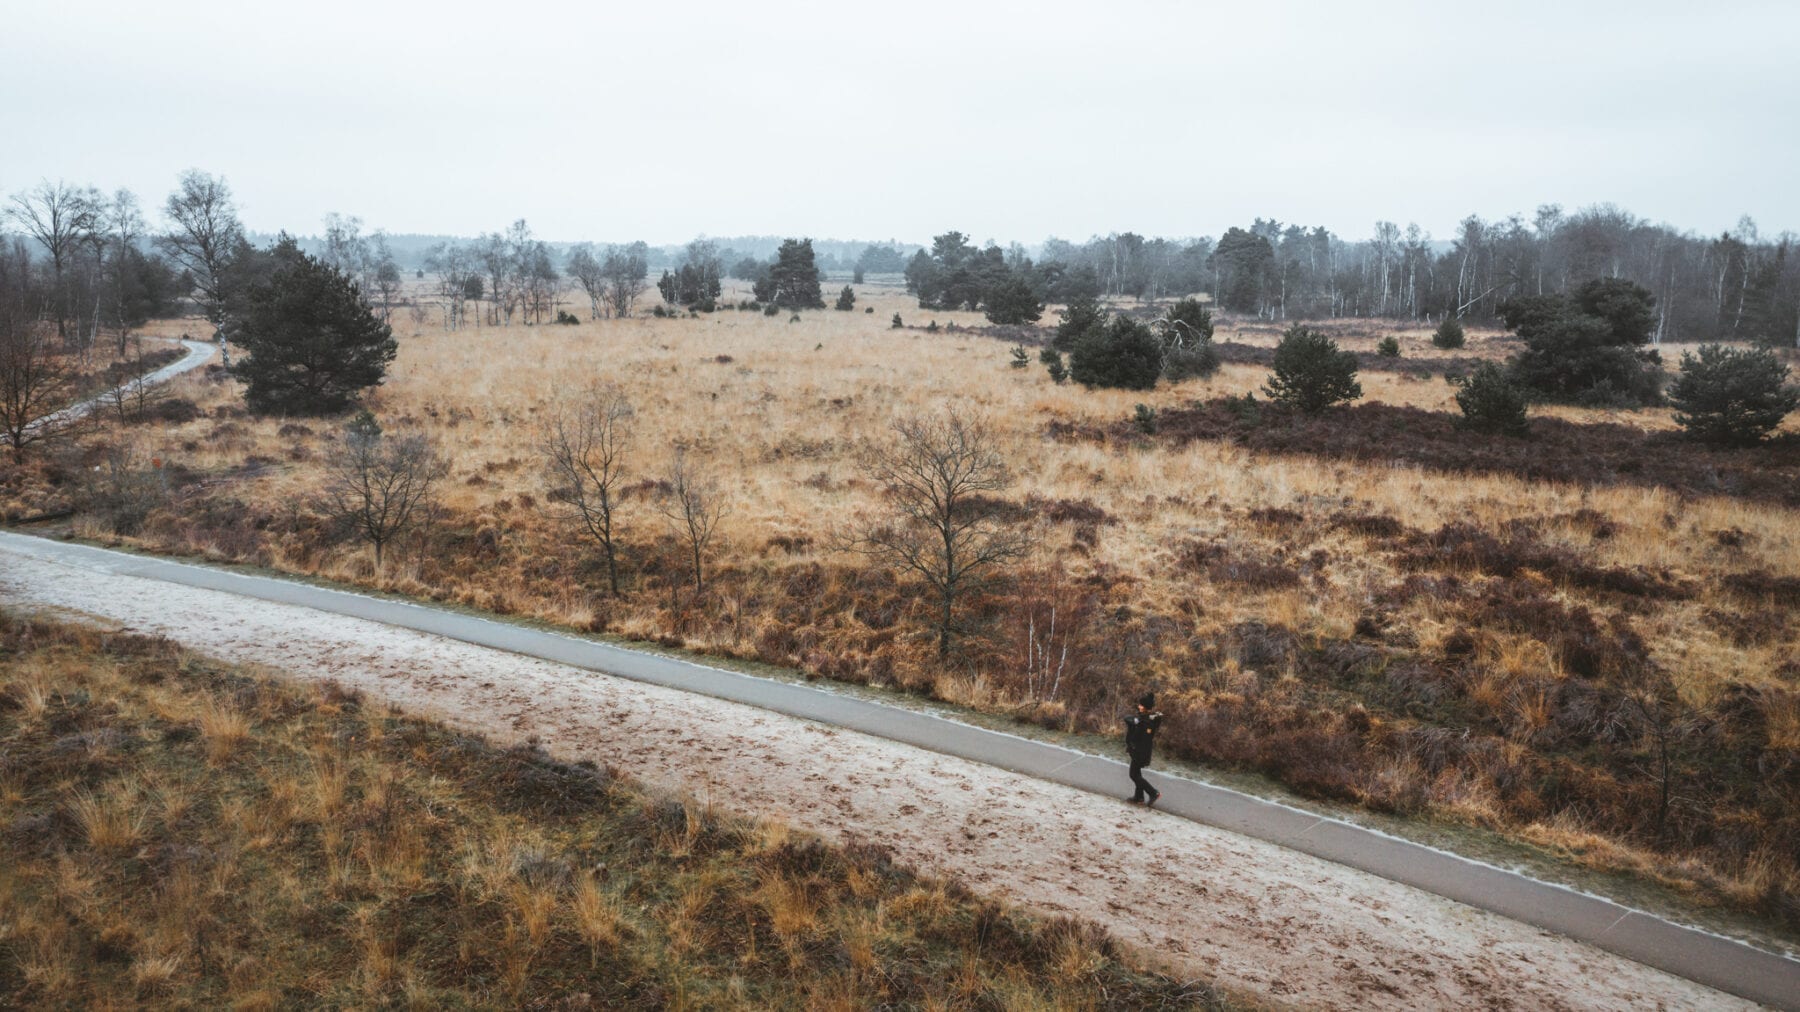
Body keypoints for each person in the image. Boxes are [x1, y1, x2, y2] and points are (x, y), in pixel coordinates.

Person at [1123, 692, 1163, 806]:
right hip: (1137, 750)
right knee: (1137, 774)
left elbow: (1143, 738)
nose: (1139, 706)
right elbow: (1129, 719)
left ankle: (1153, 792)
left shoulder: (1147, 722)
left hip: (1140, 752)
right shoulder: (1143, 719)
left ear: (1146, 707)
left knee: (1133, 775)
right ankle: (1139, 797)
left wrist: (1134, 746)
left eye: (1141, 705)